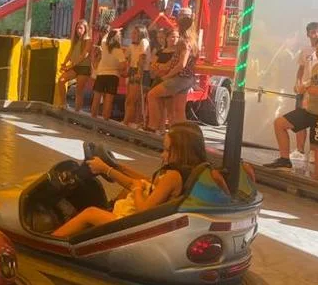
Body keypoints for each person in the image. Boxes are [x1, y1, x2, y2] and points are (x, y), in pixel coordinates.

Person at [51, 123, 207, 238]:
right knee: (127, 190)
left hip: (137, 227)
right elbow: (149, 182)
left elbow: (143, 211)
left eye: (166, 150)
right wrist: (118, 167)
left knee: (90, 213)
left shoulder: (173, 176)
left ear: (181, 150)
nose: (162, 154)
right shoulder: (187, 171)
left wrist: (108, 171)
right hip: (151, 221)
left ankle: (53, 240)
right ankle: (102, 216)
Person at [265, 36, 318, 181]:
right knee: (280, 123)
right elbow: (311, 83)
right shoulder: (317, 67)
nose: (317, 52)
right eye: (317, 49)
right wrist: (304, 88)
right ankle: (284, 160)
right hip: (310, 109)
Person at [147, 14, 197, 131]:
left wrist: (167, 76)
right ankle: (180, 134)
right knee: (179, 111)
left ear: (182, 27)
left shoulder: (184, 42)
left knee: (152, 95)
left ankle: (153, 126)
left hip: (179, 77)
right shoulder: (193, 42)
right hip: (188, 78)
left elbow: (181, 64)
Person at [293, 22, 318, 158]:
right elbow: (301, 69)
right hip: (303, 92)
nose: (316, 35)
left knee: (316, 122)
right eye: (313, 32)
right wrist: (298, 83)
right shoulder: (305, 50)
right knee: (300, 120)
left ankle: (313, 151)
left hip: (317, 93)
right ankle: (299, 150)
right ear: (308, 34)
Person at [91, 28, 127, 121]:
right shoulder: (118, 50)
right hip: (113, 76)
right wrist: (117, 68)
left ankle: (92, 119)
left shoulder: (104, 44)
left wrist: (113, 30)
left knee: (96, 97)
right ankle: (105, 120)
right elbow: (123, 65)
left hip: (101, 73)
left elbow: (104, 37)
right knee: (109, 99)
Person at [57, 19, 93, 112]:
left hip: (84, 68)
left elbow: (84, 55)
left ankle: (77, 112)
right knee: (61, 80)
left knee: (79, 90)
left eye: (81, 28)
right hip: (75, 67)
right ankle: (63, 104)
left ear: (85, 29)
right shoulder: (76, 40)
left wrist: (70, 65)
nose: (78, 30)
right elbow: (70, 52)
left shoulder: (88, 40)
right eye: (77, 28)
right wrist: (64, 63)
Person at [123, 25, 150, 127]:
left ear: (141, 34)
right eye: (132, 33)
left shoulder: (144, 42)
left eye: (135, 33)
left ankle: (126, 123)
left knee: (132, 100)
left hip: (141, 71)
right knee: (132, 100)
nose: (132, 35)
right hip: (133, 70)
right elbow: (126, 58)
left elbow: (142, 58)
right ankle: (134, 122)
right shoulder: (132, 45)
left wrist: (139, 73)